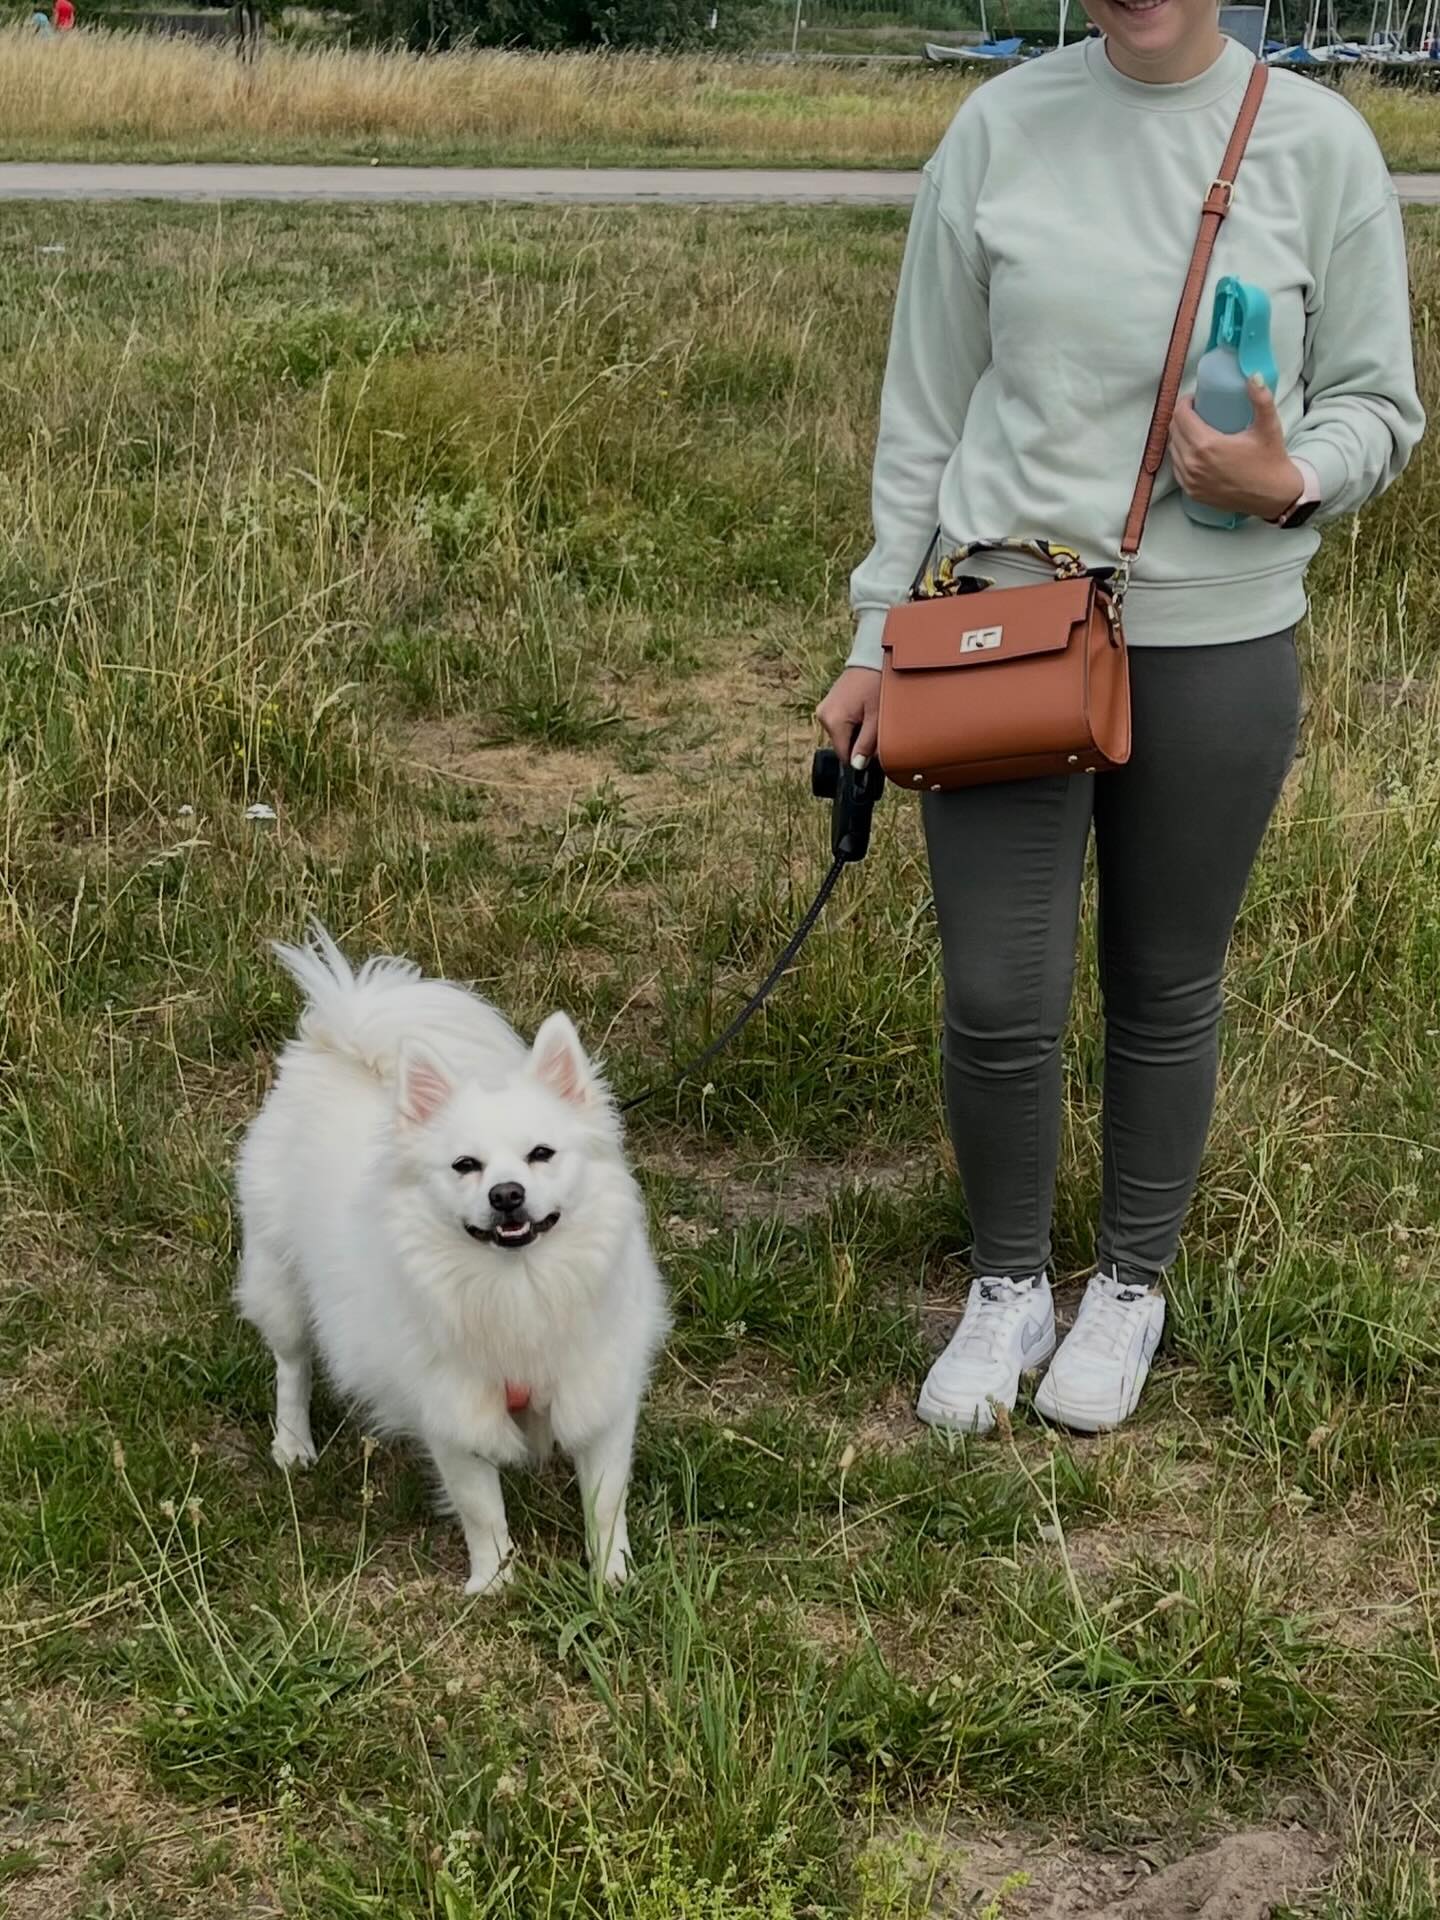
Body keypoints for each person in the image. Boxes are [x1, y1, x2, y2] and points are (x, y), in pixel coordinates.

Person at [817, 0, 1423, 1436]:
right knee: (994, 992)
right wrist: (869, 635)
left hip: (1218, 634)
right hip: (1005, 629)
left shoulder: (1321, 145)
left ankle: (1128, 1286)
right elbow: (925, 412)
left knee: (1165, 984)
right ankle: (1009, 1284)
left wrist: (1289, 477)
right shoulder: (1000, 128)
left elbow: (1381, 407)